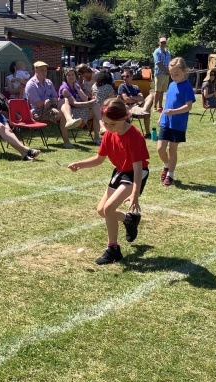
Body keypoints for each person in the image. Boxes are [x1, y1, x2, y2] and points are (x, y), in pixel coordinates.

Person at [68, 98, 149, 265]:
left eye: (113, 124)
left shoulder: (134, 136)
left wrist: (135, 195)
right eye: (105, 123)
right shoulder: (109, 134)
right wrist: (79, 164)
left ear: (124, 117)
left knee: (109, 208)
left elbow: (138, 168)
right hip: (120, 171)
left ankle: (113, 249)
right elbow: (99, 159)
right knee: (102, 210)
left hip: (135, 173)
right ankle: (129, 219)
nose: (109, 127)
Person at [26, 60, 81, 149]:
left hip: (52, 107)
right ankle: (67, 140)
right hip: (38, 111)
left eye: (45, 70)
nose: (44, 72)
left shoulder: (48, 82)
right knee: (63, 112)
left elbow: (55, 98)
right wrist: (47, 101)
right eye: (42, 70)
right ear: (35, 70)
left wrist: (50, 101)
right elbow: (39, 104)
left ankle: (69, 120)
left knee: (65, 100)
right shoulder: (31, 85)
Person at [157, 57, 195, 187]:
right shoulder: (171, 85)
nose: (173, 77)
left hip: (178, 123)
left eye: (176, 74)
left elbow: (188, 106)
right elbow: (167, 103)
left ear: (184, 71)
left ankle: (170, 175)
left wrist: (173, 112)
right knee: (160, 148)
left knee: (172, 149)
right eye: (171, 74)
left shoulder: (187, 86)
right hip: (166, 121)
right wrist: (161, 116)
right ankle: (167, 165)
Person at [58, 66, 104, 145]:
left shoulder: (76, 85)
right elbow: (75, 104)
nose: (71, 77)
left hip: (81, 110)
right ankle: (102, 126)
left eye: (73, 74)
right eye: (69, 75)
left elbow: (85, 99)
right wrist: (89, 103)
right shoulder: (64, 89)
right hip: (71, 112)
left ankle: (97, 137)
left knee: (96, 105)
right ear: (65, 77)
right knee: (94, 105)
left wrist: (78, 89)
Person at [117, 70, 154, 138]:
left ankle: (144, 110)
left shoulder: (135, 87)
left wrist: (131, 97)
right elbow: (126, 99)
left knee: (151, 96)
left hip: (138, 106)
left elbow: (141, 98)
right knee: (147, 113)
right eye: (123, 76)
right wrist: (136, 98)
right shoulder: (122, 86)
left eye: (127, 76)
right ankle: (148, 133)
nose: (124, 78)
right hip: (130, 107)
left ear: (131, 77)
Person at [153, 36, 171, 111]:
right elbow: (158, 63)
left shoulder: (168, 52)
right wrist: (166, 70)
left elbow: (170, 63)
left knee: (162, 91)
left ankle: (160, 106)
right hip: (159, 74)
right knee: (157, 91)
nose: (163, 44)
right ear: (159, 43)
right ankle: (154, 107)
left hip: (166, 74)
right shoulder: (157, 52)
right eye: (162, 42)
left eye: (164, 42)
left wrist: (169, 71)